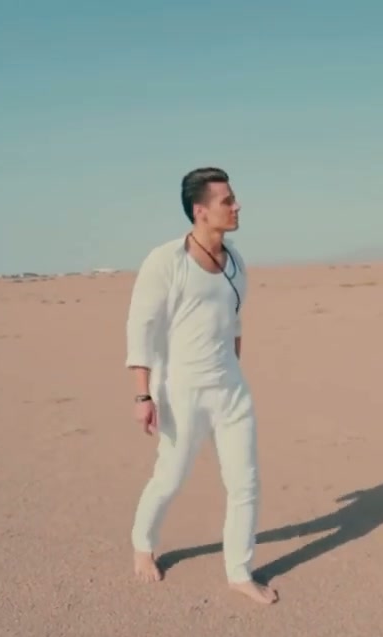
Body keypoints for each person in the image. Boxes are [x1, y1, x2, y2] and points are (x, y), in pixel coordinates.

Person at [123, 167, 278, 605]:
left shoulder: (237, 262)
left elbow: (235, 321)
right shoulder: (165, 261)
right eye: (227, 200)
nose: (237, 206)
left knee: (245, 483)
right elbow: (140, 327)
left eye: (234, 198)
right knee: (170, 477)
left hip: (231, 390)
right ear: (200, 211)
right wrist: (143, 394)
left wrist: (232, 369)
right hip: (182, 392)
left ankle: (239, 572)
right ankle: (142, 544)